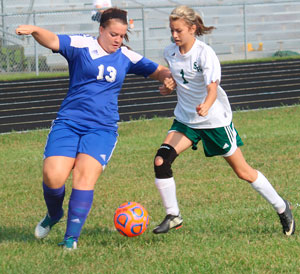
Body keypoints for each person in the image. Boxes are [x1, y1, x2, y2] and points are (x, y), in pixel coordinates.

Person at [15, 8, 175, 250]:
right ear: (101, 30)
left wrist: (167, 79)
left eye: (121, 36)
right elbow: (54, 40)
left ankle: (71, 240)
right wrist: (35, 30)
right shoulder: (81, 45)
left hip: (102, 129)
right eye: (113, 34)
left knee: (83, 177)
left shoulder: (125, 57)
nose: (118, 40)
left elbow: (157, 70)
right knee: (53, 175)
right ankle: (54, 214)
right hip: (69, 123)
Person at [152, 5, 295, 236]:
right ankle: (173, 215)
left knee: (243, 172)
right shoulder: (170, 52)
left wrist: (207, 105)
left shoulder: (204, 53)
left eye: (178, 30)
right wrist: (167, 87)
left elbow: (212, 87)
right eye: (172, 30)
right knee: (161, 161)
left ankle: (282, 207)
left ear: (192, 28)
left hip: (214, 122)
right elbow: (180, 80)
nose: (174, 35)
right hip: (186, 121)